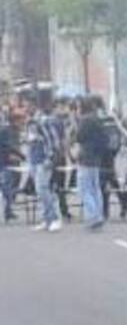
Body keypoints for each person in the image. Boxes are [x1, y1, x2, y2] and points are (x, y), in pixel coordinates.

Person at [26, 93, 62, 232]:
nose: (26, 108)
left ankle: (54, 218)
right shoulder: (31, 122)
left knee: (43, 189)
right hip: (34, 159)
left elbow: (53, 141)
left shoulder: (44, 121)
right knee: (39, 190)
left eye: (28, 105)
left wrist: (50, 158)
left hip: (43, 160)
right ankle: (46, 219)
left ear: (35, 106)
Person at [73, 96, 109, 231]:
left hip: (85, 157)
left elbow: (79, 137)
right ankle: (98, 214)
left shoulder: (85, 120)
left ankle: (92, 216)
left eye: (78, 107)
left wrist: (75, 122)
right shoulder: (97, 119)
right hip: (96, 157)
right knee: (95, 188)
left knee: (84, 189)